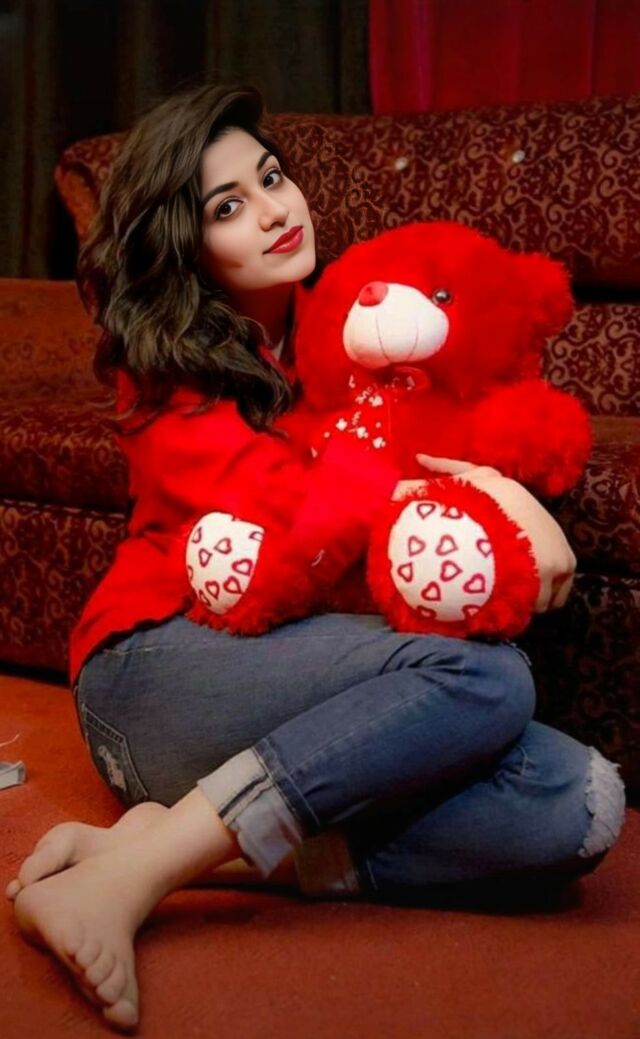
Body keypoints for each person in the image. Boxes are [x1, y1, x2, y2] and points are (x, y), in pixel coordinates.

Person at [6, 82, 626, 1031]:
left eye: (271, 177)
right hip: (154, 672)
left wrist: (499, 475)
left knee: (568, 804)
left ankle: (176, 841)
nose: (273, 209)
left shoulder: (354, 320)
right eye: (228, 206)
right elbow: (302, 516)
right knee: (489, 679)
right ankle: (137, 874)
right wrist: (503, 510)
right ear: (183, 244)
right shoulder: (164, 369)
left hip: (297, 681)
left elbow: (457, 413)